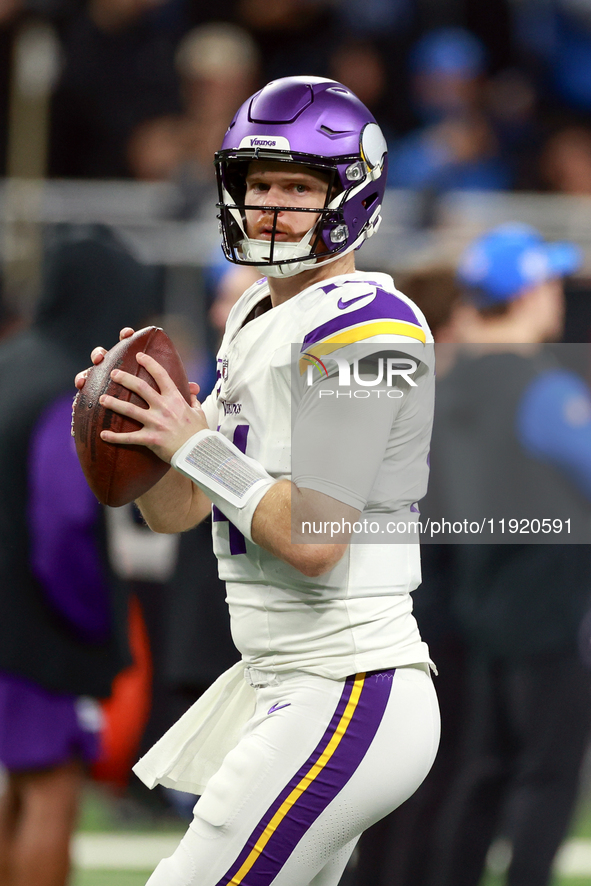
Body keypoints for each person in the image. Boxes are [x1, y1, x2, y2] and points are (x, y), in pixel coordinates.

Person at [76, 75, 440, 886]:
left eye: (298, 186)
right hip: (281, 680)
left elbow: (315, 540)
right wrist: (143, 436)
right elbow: (184, 515)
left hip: (347, 683)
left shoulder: (367, 325)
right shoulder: (251, 314)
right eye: (258, 183)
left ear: (351, 197)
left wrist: (196, 442)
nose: (271, 204)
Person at [421, 223, 591, 886]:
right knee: (547, 777)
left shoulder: (449, 386)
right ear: (524, 293)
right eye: (548, 282)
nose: (558, 296)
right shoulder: (543, 390)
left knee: (483, 773)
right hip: (551, 612)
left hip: (479, 603)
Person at [0, 225, 160, 886]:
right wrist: (96, 623)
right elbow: (64, 524)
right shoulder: (68, 391)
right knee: (51, 791)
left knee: (14, 789)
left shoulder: (12, 361)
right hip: (35, 632)